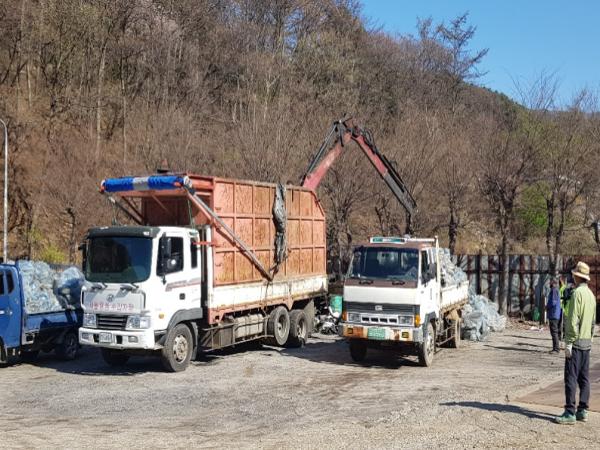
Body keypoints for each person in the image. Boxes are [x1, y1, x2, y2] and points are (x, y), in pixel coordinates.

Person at [555, 261, 597, 425]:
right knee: (584, 378)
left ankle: (569, 412)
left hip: (576, 341)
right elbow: (593, 321)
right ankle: (582, 410)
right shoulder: (591, 295)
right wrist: (591, 338)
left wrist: (569, 342)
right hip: (587, 342)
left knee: (571, 377)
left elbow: (572, 320)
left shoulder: (576, 294)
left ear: (577, 277)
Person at [546, 279, 562, 353]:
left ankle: (556, 349)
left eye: (550, 283)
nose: (549, 284)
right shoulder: (555, 290)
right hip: (555, 314)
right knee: (554, 332)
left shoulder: (554, 290)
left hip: (553, 314)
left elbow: (553, 302)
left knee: (554, 332)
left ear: (553, 284)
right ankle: (555, 348)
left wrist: (547, 306)